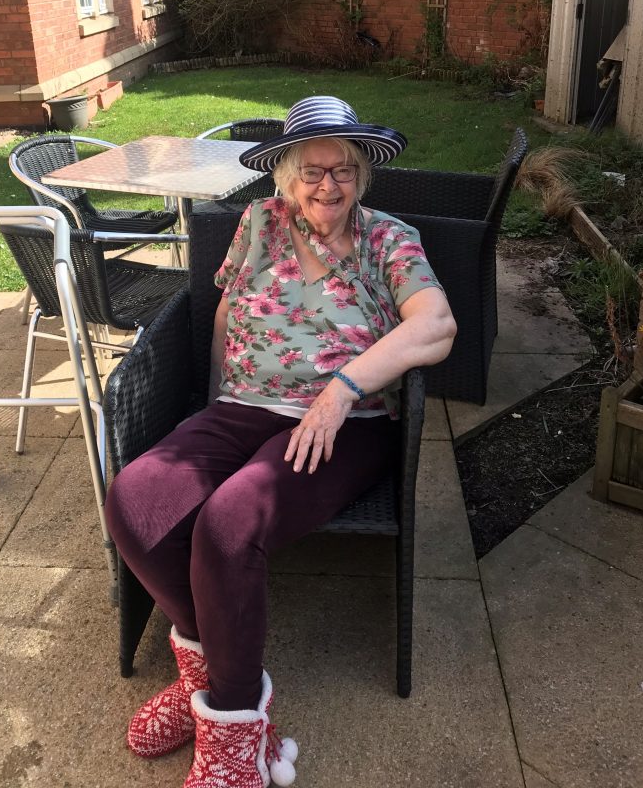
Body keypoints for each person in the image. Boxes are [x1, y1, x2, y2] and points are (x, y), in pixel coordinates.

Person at [105, 95, 457, 787]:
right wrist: (212, 404)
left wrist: (342, 390)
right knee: (136, 502)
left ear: (362, 174)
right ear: (288, 176)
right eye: (312, 172)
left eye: (343, 170)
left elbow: (437, 326)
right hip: (242, 408)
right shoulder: (259, 224)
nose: (328, 186)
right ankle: (210, 675)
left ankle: (234, 739)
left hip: (345, 424)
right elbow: (224, 313)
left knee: (230, 526)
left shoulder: (389, 239)